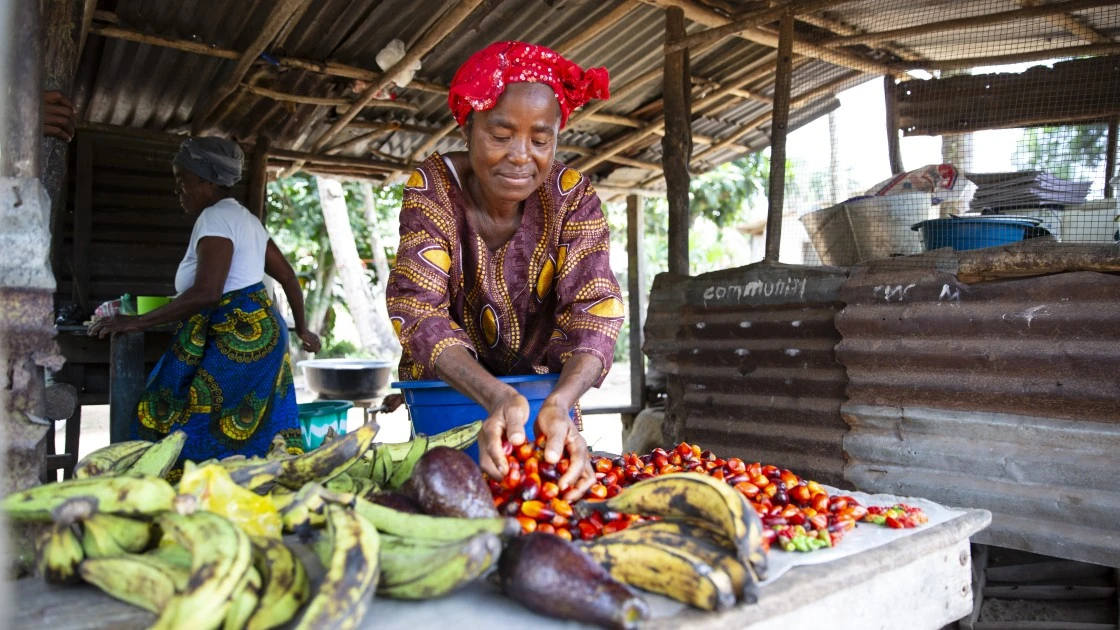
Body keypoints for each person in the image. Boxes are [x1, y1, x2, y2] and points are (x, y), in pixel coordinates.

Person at [387, 41, 623, 501]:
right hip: (447, 394)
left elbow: (595, 315)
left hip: (541, 400)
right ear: (468, 125)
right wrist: (494, 396)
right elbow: (417, 309)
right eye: (500, 135)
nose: (521, 155)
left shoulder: (571, 196)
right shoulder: (433, 189)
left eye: (540, 140)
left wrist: (558, 402)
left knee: (544, 506)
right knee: (450, 502)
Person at [90, 137, 321, 474]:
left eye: (182, 181)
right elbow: (287, 277)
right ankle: (258, 484)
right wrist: (300, 328)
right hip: (264, 331)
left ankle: (182, 487)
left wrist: (136, 322)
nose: (178, 190)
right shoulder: (246, 219)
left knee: (187, 421)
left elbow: (208, 293)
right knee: (254, 430)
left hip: (239, 337)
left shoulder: (214, 218)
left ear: (207, 182)